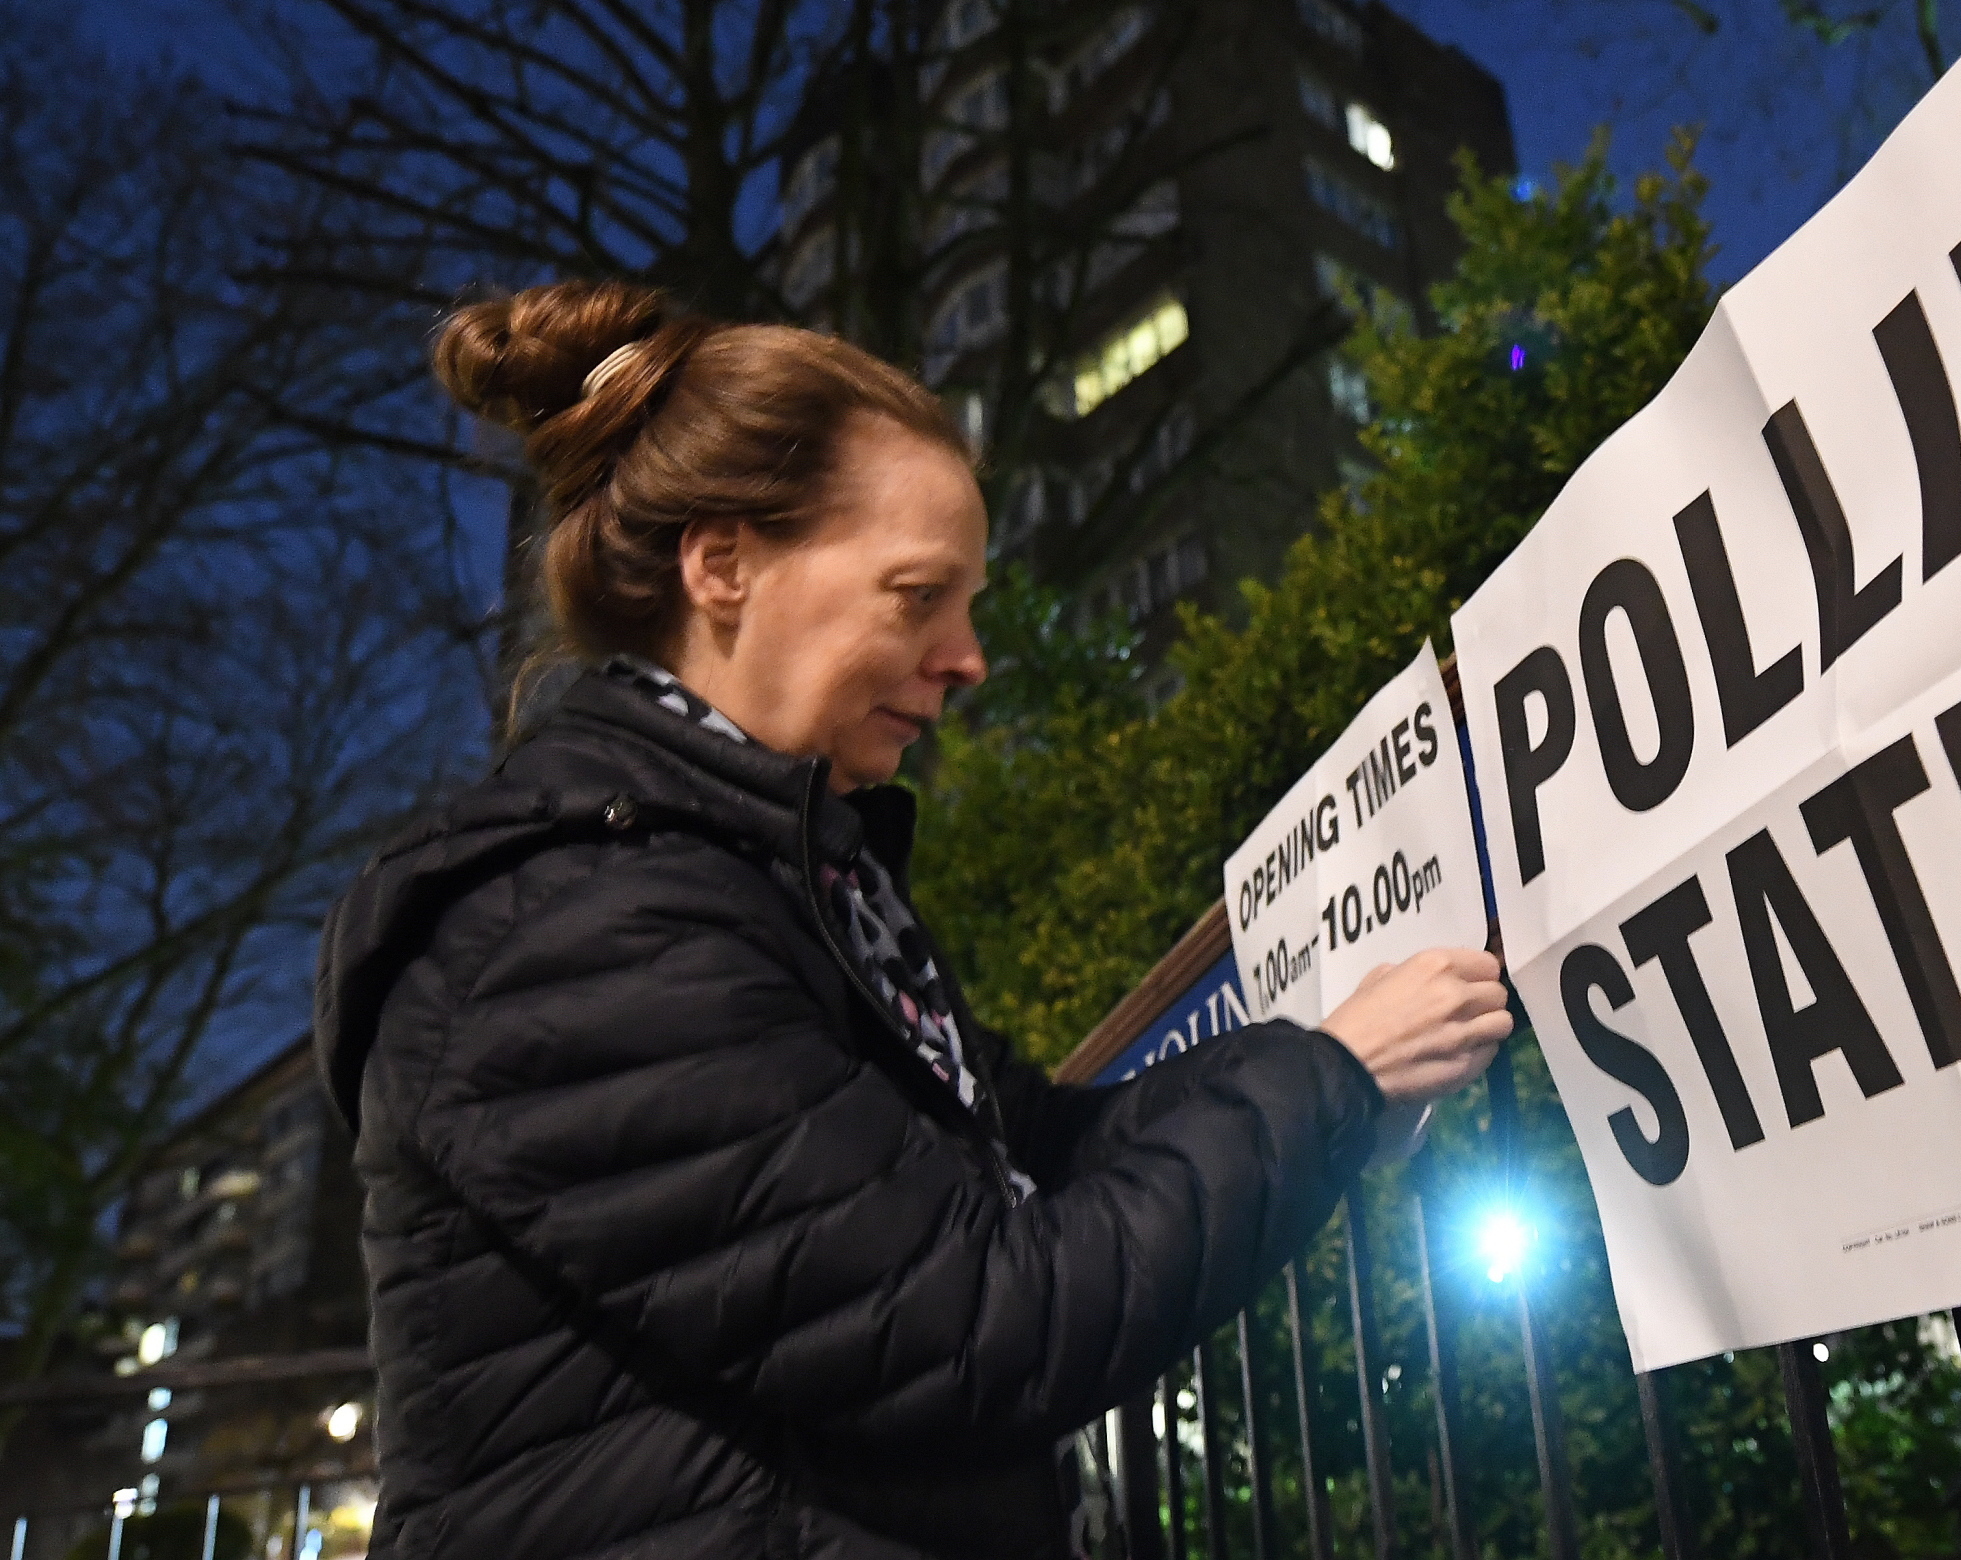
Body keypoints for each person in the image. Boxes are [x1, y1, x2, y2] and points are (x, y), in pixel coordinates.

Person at [314, 280, 1513, 1559]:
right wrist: (1328, 1081)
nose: (968, 656)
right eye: (916, 595)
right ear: (723, 565)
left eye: (971, 604)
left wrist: (1340, 1068)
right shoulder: (567, 933)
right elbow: (979, 1325)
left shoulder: (782, 891)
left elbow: (1046, 1139)